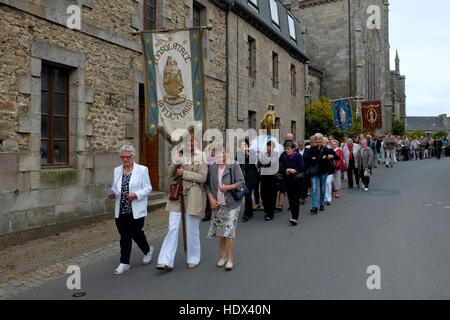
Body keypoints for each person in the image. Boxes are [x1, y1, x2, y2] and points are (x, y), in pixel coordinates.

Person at [157, 136, 208, 271]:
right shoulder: (178, 155)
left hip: (193, 195)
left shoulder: (202, 156)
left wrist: (184, 173)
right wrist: (175, 162)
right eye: (187, 141)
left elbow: (203, 177)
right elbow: (169, 173)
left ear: (196, 142)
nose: (189, 143)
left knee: (192, 229)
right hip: (177, 196)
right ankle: (165, 260)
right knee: (172, 227)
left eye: (192, 140)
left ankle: (193, 257)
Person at [109, 144, 153, 275]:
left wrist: (136, 195)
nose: (124, 160)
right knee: (124, 236)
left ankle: (147, 250)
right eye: (122, 157)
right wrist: (112, 194)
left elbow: (148, 188)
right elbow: (115, 187)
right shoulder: (117, 170)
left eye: (127, 157)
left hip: (136, 208)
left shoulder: (142, 170)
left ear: (132, 156)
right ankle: (124, 262)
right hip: (121, 208)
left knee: (136, 233)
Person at [206, 148, 245, 271]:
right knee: (219, 232)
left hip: (232, 204)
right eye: (217, 153)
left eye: (222, 152)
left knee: (228, 231)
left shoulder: (233, 165)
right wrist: (211, 198)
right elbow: (206, 185)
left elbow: (241, 182)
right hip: (217, 205)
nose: (220, 155)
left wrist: (227, 187)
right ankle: (221, 257)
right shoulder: (212, 167)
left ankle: (230, 259)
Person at [305, 133, 339, 215]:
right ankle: (315, 206)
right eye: (316, 139)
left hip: (323, 171)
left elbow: (337, 157)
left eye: (320, 139)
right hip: (314, 172)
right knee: (314, 188)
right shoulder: (312, 149)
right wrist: (320, 158)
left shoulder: (326, 149)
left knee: (323, 188)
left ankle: (322, 204)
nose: (318, 141)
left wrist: (317, 158)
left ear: (322, 140)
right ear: (315, 140)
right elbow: (309, 159)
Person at [279, 140, 304, 225]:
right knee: (290, 199)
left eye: (289, 149)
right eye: (286, 149)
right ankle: (293, 215)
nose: (287, 150)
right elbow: (281, 169)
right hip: (288, 181)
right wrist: (287, 170)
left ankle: (295, 218)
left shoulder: (298, 156)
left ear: (293, 149)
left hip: (297, 181)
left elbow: (301, 167)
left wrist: (294, 170)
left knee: (295, 199)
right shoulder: (285, 157)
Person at [237, 139, 259, 222]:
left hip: (251, 177)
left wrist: (247, 153)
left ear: (248, 145)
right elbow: (237, 164)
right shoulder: (239, 154)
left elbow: (253, 162)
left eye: (245, 145)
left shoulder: (252, 152)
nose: (244, 146)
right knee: (247, 195)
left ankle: (246, 214)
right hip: (243, 177)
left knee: (248, 194)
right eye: (242, 145)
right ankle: (249, 212)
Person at [258, 141, 280, 221]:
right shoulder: (263, 154)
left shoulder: (276, 154)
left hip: (272, 177)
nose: (268, 148)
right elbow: (258, 164)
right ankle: (267, 211)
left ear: (273, 147)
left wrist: (264, 163)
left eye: (270, 146)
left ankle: (270, 214)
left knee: (272, 196)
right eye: (267, 146)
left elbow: (272, 164)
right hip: (264, 177)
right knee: (263, 195)